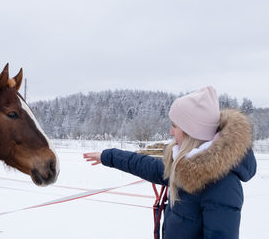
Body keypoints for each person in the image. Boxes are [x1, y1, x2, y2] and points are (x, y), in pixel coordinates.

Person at [83, 86, 256, 239]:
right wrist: (109, 156)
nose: (171, 132)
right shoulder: (187, 168)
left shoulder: (223, 186)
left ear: (191, 131)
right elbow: (147, 166)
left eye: (175, 125)